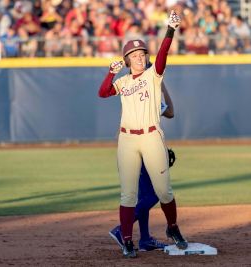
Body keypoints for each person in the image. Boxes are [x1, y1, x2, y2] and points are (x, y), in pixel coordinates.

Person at [98, 10, 186, 259]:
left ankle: (172, 227)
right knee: (128, 194)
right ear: (127, 60)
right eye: (134, 55)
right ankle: (127, 240)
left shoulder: (153, 76)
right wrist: (110, 73)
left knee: (164, 192)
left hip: (150, 136)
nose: (139, 58)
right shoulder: (124, 82)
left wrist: (170, 29)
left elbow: (164, 54)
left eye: (141, 54)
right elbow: (103, 93)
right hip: (127, 139)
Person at [109, 78, 175, 252]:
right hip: (144, 150)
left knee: (144, 195)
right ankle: (122, 229)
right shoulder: (148, 98)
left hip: (134, 147)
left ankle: (145, 239)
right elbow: (171, 112)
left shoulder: (136, 94)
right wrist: (163, 85)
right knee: (154, 195)